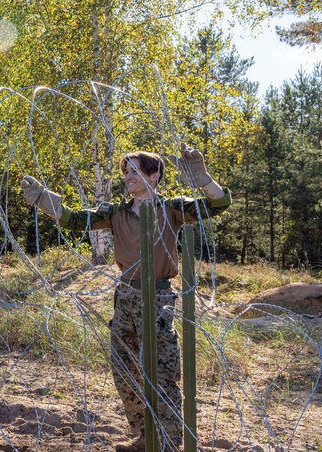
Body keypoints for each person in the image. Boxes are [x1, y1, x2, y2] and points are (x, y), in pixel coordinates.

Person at [20, 144, 230, 452]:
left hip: (157, 297)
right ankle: (146, 439)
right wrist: (45, 200)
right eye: (126, 172)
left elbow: (218, 206)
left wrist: (202, 178)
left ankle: (170, 444)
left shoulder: (172, 208)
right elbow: (76, 219)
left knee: (160, 374)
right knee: (125, 370)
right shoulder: (116, 212)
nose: (127, 177)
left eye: (134, 171)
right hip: (126, 294)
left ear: (154, 175)